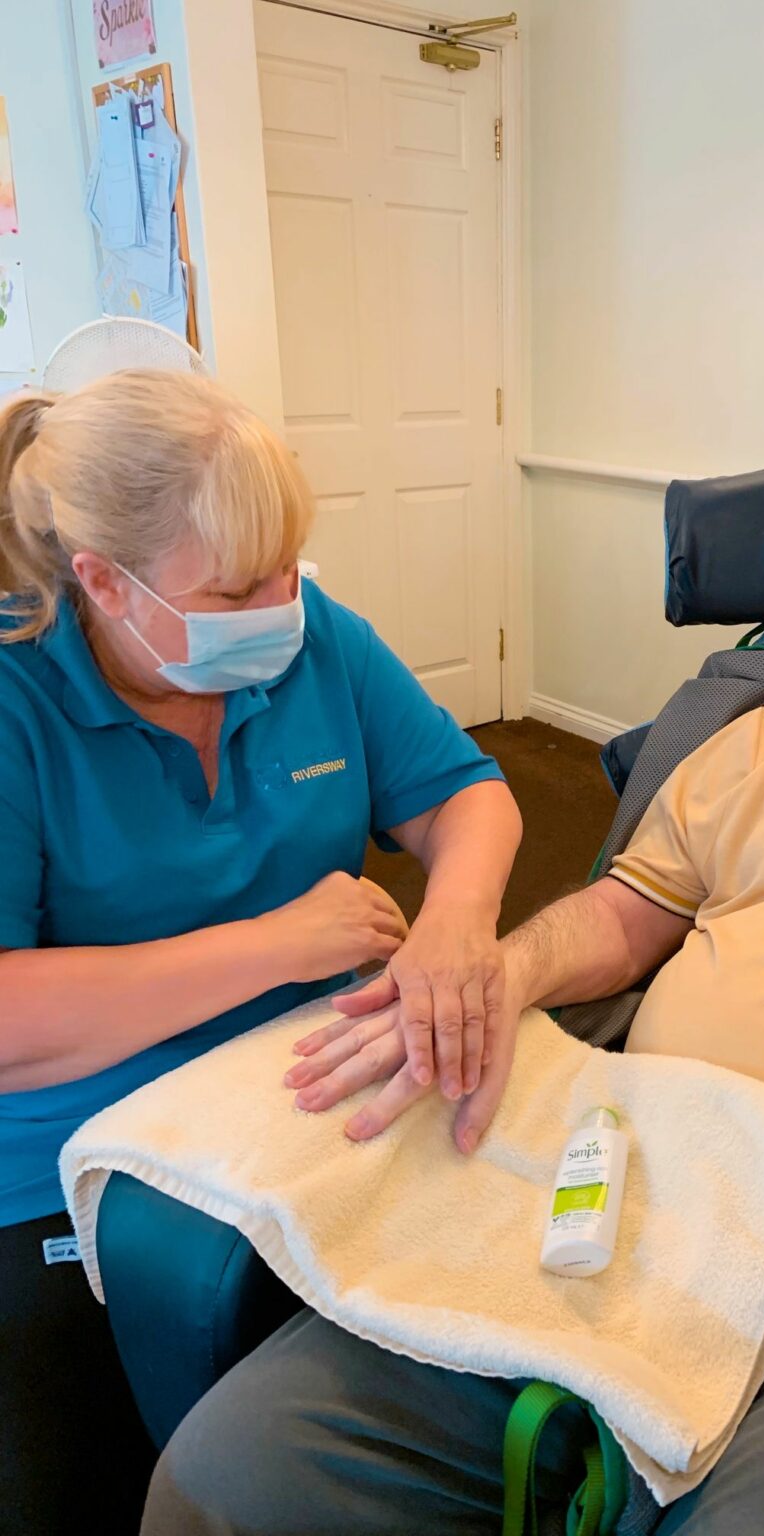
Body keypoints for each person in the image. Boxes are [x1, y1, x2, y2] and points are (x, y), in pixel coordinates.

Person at [143, 457, 764, 1536]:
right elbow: (626, 917)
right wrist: (499, 973)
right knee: (235, 1475)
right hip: (638, 1198)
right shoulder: (761, 742)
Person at [0, 370, 522, 1536]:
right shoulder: (15, 693)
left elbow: (468, 795)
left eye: (287, 567)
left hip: (305, 1092)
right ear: (103, 582)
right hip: (73, 1156)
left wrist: (454, 921)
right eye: (237, 590)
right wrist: (273, 947)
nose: (280, 606)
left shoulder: (308, 637)